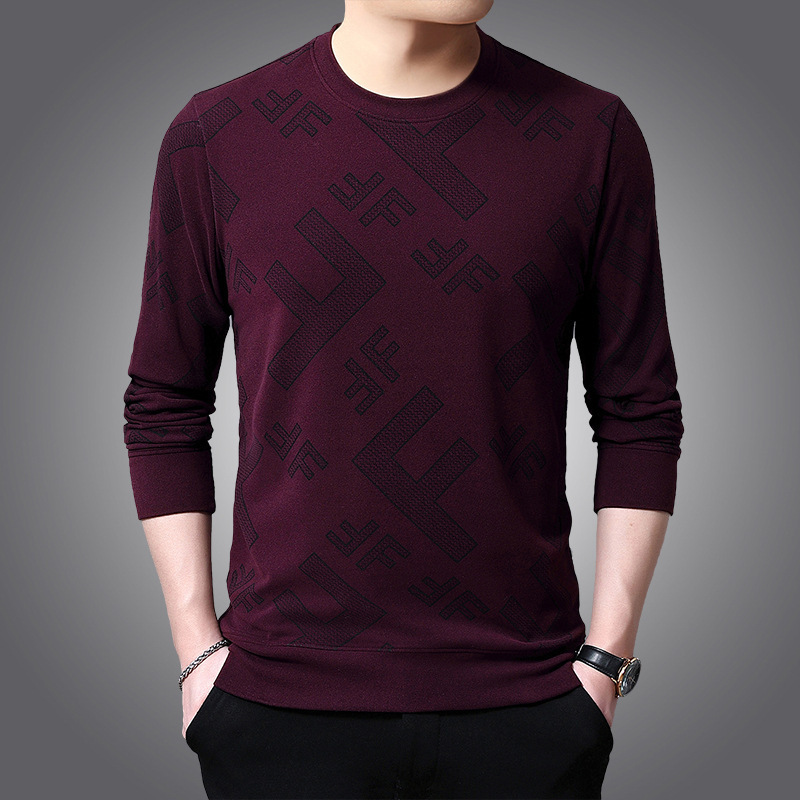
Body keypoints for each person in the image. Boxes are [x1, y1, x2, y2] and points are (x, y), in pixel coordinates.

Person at [122, 0, 683, 797]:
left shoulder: (591, 137)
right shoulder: (217, 137)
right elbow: (165, 402)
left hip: (528, 704)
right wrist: (195, 651)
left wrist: (606, 659)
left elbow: (639, 411)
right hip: (278, 705)